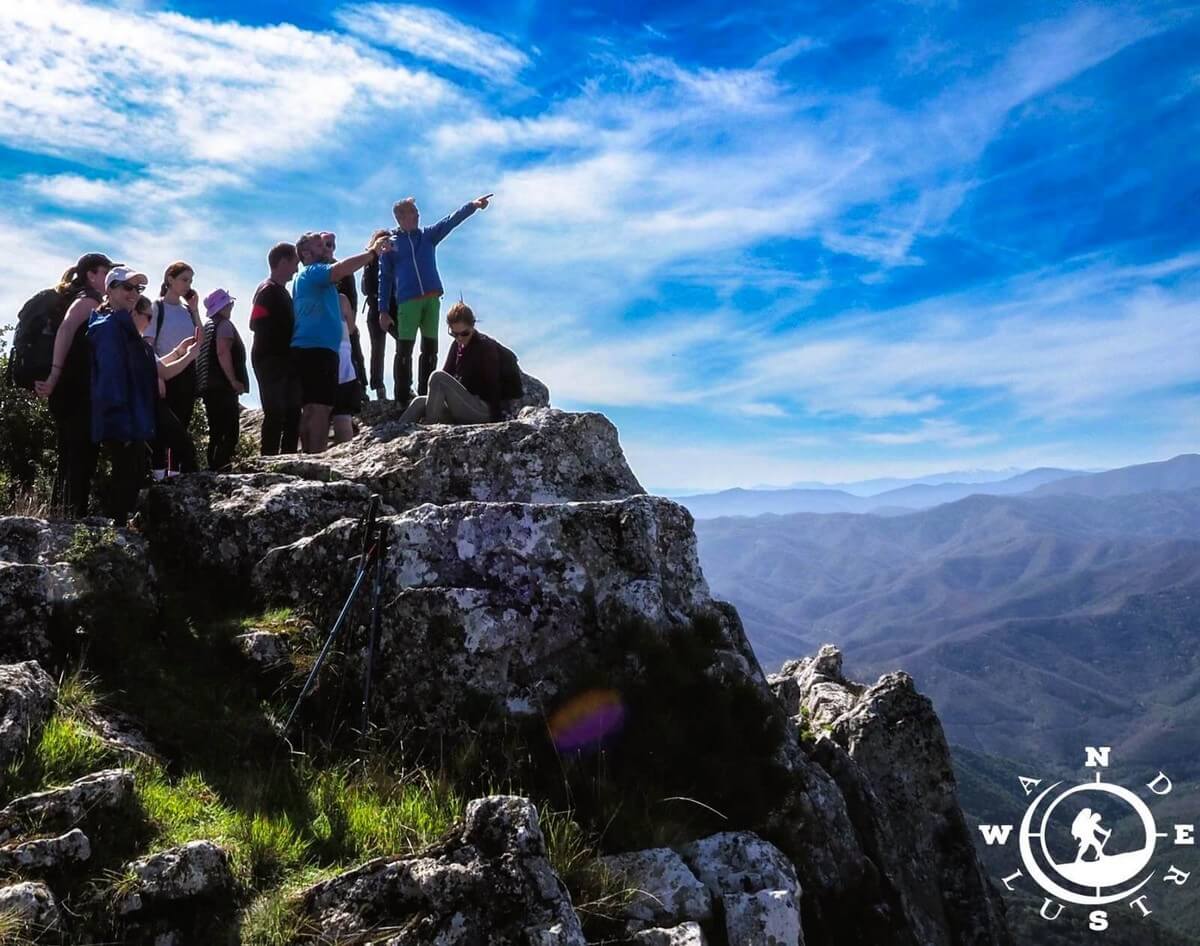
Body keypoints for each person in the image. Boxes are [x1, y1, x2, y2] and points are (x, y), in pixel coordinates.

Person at [378, 193, 492, 400]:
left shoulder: (427, 235)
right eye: (413, 213)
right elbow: (384, 278)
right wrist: (383, 310)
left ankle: (426, 395)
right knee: (404, 349)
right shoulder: (391, 245)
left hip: (431, 298)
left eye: (417, 212)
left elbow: (450, 221)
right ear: (401, 217)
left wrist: (473, 205)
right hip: (408, 301)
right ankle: (402, 397)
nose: (418, 216)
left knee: (430, 348)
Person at [291, 230, 389, 454]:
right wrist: (372, 253)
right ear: (306, 253)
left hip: (309, 347)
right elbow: (340, 270)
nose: (326, 249)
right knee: (321, 407)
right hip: (318, 349)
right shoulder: (314, 271)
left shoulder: (304, 277)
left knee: (311, 407)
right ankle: (316, 456)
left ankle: (307, 453)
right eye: (319, 245)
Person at [35, 252, 115, 517]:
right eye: (105, 272)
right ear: (91, 275)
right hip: (74, 389)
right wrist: (54, 376)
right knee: (80, 454)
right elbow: (66, 330)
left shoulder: (81, 298)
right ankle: (71, 517)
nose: (109, 278)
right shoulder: (88, 300)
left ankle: (61, 514)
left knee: (70, 454)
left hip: (71, 389)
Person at [87, 267, 156, 526]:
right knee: (124, 475)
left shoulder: (122, 326)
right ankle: (114, 532)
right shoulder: (108, 327)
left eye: (138, 288)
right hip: (121, 418)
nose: (134, 293)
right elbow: (110, 377)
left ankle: (118, 529)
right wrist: (120, 421)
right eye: (127, 287)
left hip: (131, 416)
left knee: (132, 473)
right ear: (110, 289)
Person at [398, 302, 506, 426]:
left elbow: (494, 388)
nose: (459, 338)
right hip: (462, 405)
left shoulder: (485, 347)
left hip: (483, 411)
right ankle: (396, 432)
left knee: (437, 377)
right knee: (419, 402)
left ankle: (429, 429)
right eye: (454, 334)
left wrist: (497, 421)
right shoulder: (457, 346)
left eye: (464, 333)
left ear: (472, 326)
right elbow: (444, 378)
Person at [142, 261, 202, 476]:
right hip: (166, 371)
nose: (188, 285)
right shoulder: (157, 307)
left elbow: (200, 339)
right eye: (184, 280)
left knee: (182, 425)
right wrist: (157, 376)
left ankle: (175, 475)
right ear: (170, 279)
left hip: (187, 372)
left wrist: (195, 310)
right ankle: (159, 475)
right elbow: (149, 342)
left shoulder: (187, 311)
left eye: (190, 281)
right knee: (162, 428)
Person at [250, 243, 301, 456]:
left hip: (284, 359)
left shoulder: (281, 292)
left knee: (293, 411)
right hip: (270, 358)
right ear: (282, 262)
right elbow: (255, 323)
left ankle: (288, 456)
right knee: (275, 410)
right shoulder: (268, 290)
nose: (296, 269)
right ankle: (269, 457)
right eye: (294, 263)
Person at [196, 289, 247, 473]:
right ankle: (220, 468)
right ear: (223, 306)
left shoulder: (208, 326)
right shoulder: (224, 325)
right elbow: (222, 351)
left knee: (216, 430)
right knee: (229, 432)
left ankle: (213, 467)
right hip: (222, 387)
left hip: (208, 387)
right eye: (229, 304)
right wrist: (233, 380)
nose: (231, 307)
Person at [321, 232, 368, 399]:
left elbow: (352, 296)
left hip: (344, 319)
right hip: (324, 325)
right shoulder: (314, 270)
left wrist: (351, 322)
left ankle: (361, 387)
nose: (330, 248)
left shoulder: (343, 269)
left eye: (332, 245)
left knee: (354, 351)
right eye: (327, 244)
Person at [361, 229, 398, 401]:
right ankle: (378, 387)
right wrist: (374, 257)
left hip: (394, 307)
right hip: (375, 308)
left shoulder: (395, 260)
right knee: (377, 349)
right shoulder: (370, 262)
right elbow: (365, 289)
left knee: (403, 343)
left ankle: (403, 384)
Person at [331, 293, 361, 444]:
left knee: (317, 410)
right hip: (343, 358)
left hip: (317, 354)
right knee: (343, 413)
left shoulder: (303, 296)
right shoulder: (341, 299)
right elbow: (350, 328)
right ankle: (345, 449)